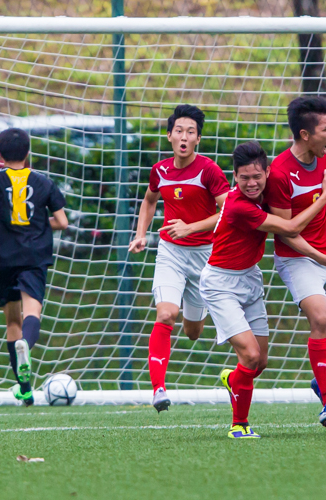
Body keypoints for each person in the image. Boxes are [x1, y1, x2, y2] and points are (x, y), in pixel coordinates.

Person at [200, 141, 326, 438]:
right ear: (234, 177)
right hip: (220, 284)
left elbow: (301, 197)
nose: (251, 183)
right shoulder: (238, 205)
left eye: (257, 177)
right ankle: (239, 426)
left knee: (260, 361)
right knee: (250, 356)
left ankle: (233, 380)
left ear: (267, 172)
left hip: (250, 278)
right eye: (244, 178)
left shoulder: (268, 194)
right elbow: (289, 228)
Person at [266, 96, 326, 429]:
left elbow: (320, 203)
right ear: (305, 134)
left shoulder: (325, 157)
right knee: (320, 320)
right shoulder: (279, 173)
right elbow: (286, 230)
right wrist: (321, 256)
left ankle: (325, 385)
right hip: (298, 258)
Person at [128, 104, 230, 413]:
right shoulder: (160, 170)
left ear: (198, 139)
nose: (184, 137)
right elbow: (149, 200)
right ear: (169, 135)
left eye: (191, 132)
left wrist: (192, 227)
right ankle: (158, 388)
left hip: (205, 257)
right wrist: (141, 233)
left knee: (193, 332)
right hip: (170, 252)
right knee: (165, 315)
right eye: (179, 131)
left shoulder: (209, 171)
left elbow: (227, 211)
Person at [0, 128, 68, 406]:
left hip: (3, 256)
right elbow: (63, 222)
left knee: (12, 321)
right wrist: (41, 227)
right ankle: (27, 348)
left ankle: (25, 389)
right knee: (32, 310)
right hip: (34, 255)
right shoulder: (43, 182)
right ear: (29, 153)